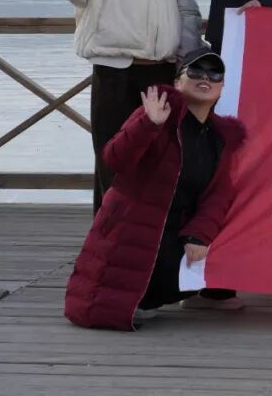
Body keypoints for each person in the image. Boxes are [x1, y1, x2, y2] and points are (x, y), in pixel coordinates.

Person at [64, 48, 247, 330]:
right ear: (177, 82)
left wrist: (199, 235)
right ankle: (144, 297)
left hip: (176, 231)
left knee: (234, 228)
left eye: (215, 74)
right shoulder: (158, 114)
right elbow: (115, 159)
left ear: (222, 87)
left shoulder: (222, 137)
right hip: (135, 228)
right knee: (106, 306)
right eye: (195, 71)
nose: (205, 78)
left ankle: (190, 293)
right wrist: (148, 124)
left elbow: (218, 196)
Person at [50, 0, 203, 214]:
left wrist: (185, 60)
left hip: (161, 71)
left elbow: (188, 11)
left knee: (159, 156)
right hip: (114, 71)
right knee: (114, 156)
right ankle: (108, 233)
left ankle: (152, 233)